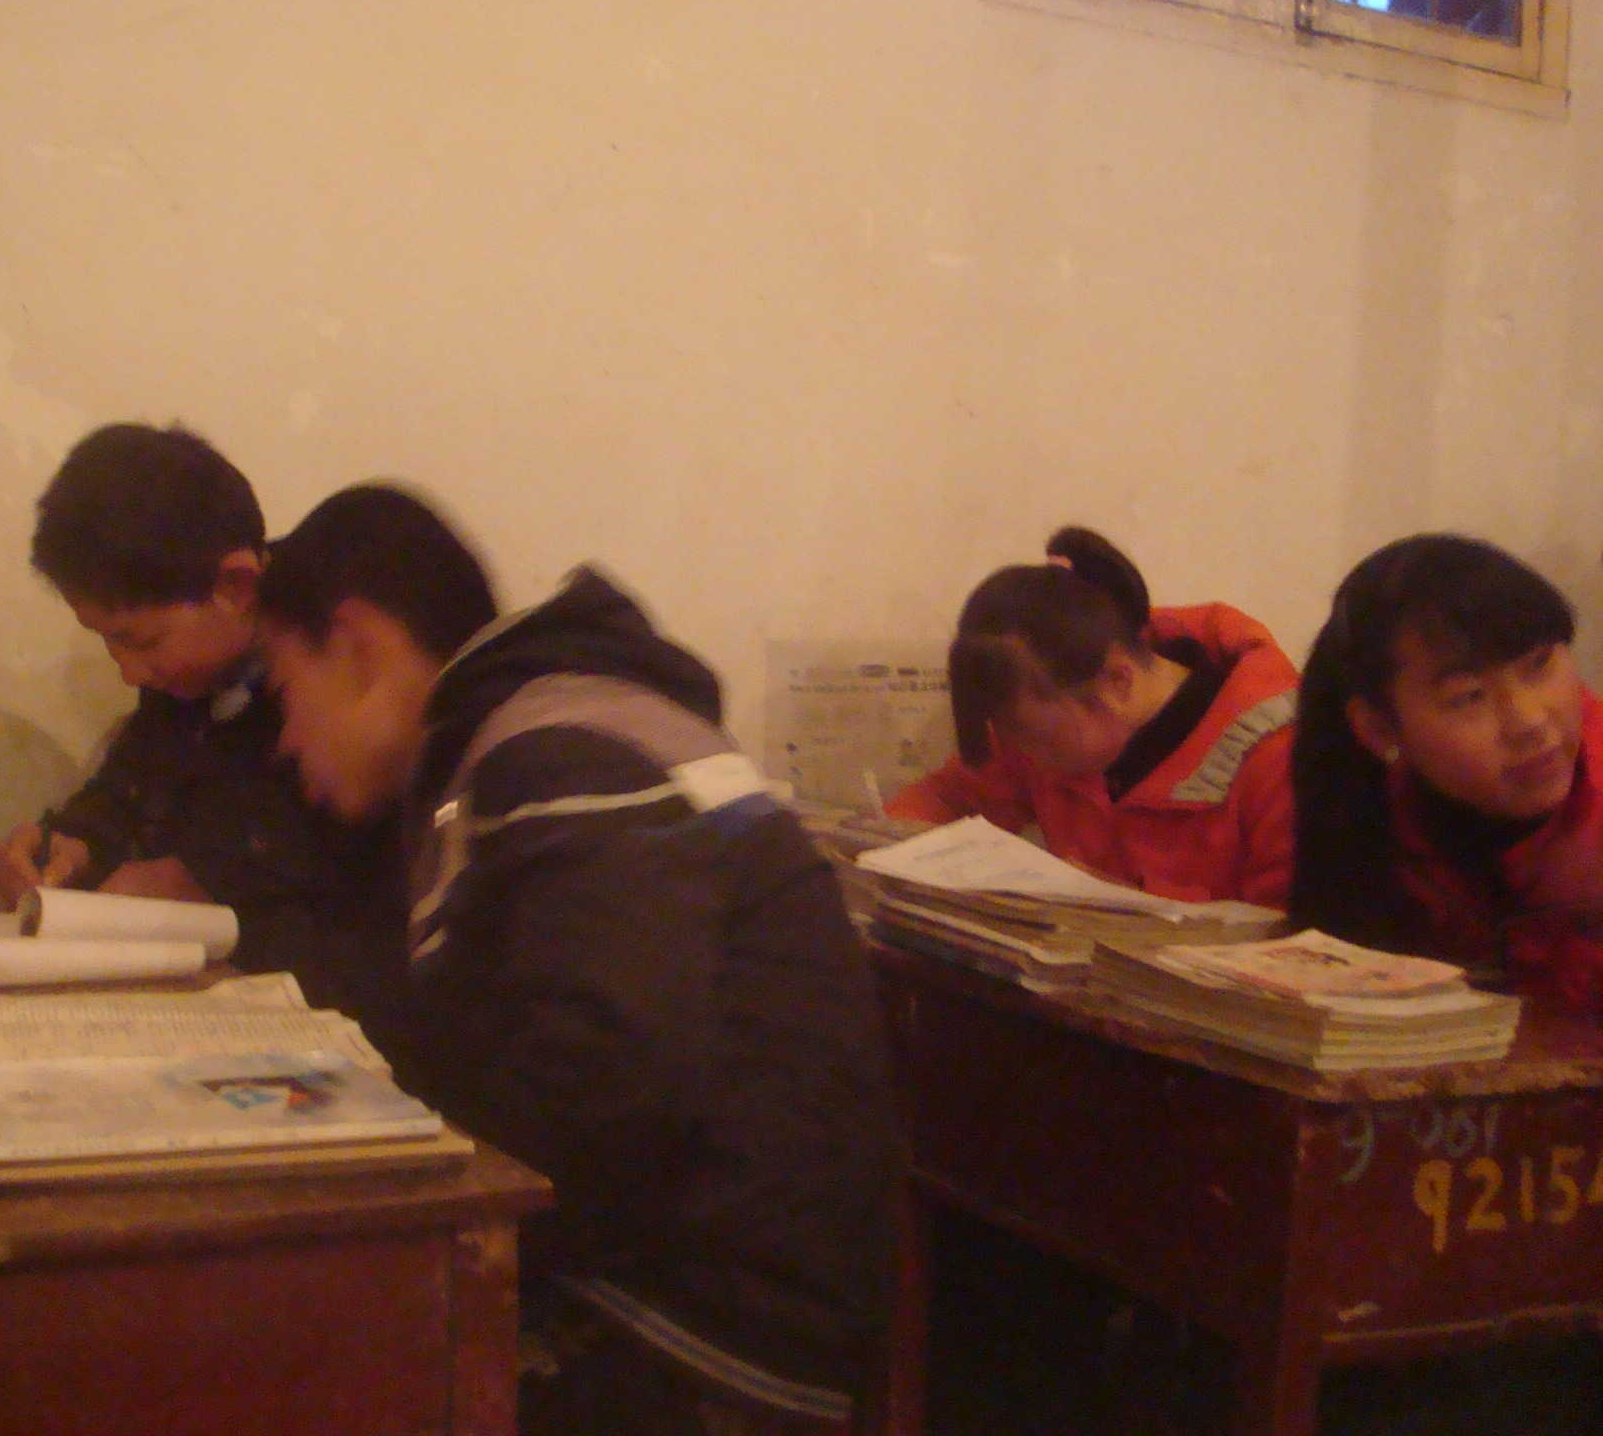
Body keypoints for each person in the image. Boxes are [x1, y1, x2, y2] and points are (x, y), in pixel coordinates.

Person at [255, 483, 896, 1429]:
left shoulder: (557, 753)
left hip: (706, 1351)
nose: (284, 739)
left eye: (283, 692)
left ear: (356, 647)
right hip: (692, 1299)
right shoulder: (548, 737)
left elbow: (602, 1089)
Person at [0, 423, 391, 1008]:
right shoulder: (190, 676)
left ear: (237, 587)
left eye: (143, 642)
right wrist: (76, 840)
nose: (129, 673)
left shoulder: (333, 664)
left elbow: (354, 882)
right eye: (108, 642)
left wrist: (209, 878)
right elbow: (135, 781)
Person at [884, 526, 1300, 905]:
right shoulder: (1043, 722)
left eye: (1034, 737)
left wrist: (1136, 907)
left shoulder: (1279, 759)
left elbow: (1288, 934)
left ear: (1118, 682)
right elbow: (949, 796)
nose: (1022, 755)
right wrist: (891, 848)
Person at [1291, 533, 1603, 1011]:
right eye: (1468, 696)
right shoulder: (1360, 812)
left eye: (1539, 665)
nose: (1529, 721)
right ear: (1378, 729)